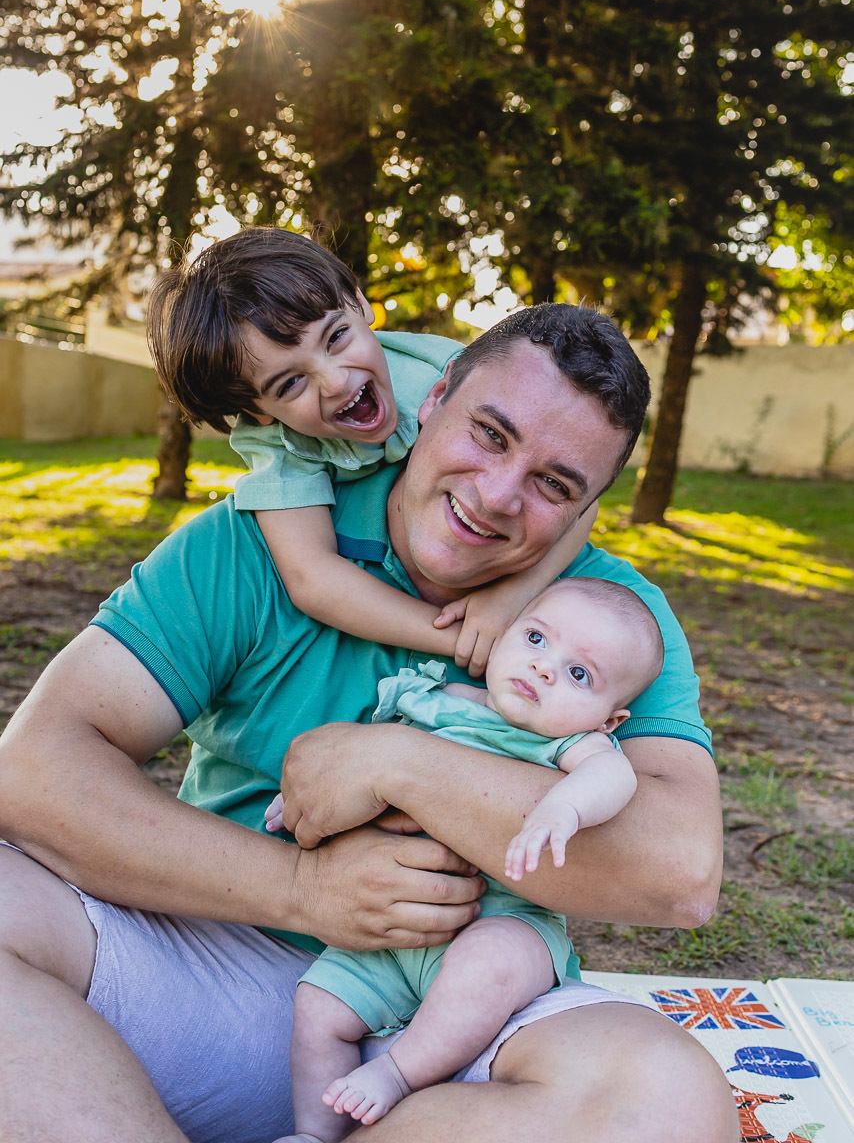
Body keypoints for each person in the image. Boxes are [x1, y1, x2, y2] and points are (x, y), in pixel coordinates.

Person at [0, 301, 738, 1143]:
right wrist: (305, 889)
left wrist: (398, 763)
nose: (497, 496)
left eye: (554, 485)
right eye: (490, 435)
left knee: (666, 1101)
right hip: (223, 970)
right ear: (436, 397)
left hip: (465, 1003)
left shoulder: (608, 625)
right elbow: (33, 771)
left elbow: (680, 872)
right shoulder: (264, 543)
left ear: (586, 510)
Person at [266, 576, 660, 1143]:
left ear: (607, 720)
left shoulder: (566, 744)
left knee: (491, 962)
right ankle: (315, 1132)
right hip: (391, 930)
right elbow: (349, 768)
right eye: (535, 639)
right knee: (318, 1006)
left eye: (580, 674)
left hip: (504, 920)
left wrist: (564, 808)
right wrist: (303, 796)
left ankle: (397, 1073)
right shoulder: (432, 701)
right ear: (503, 637)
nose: (545, 668)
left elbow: (613, 775)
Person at [146, 227, 595, 675]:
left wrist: (511, 596)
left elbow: (580, 498)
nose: (336, 381)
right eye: (291, 383)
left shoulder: (448, 377)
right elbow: (313, 578)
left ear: (360, 304)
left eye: (336, 336)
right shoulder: (276, 441)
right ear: (258, 411)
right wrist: (461, 637)